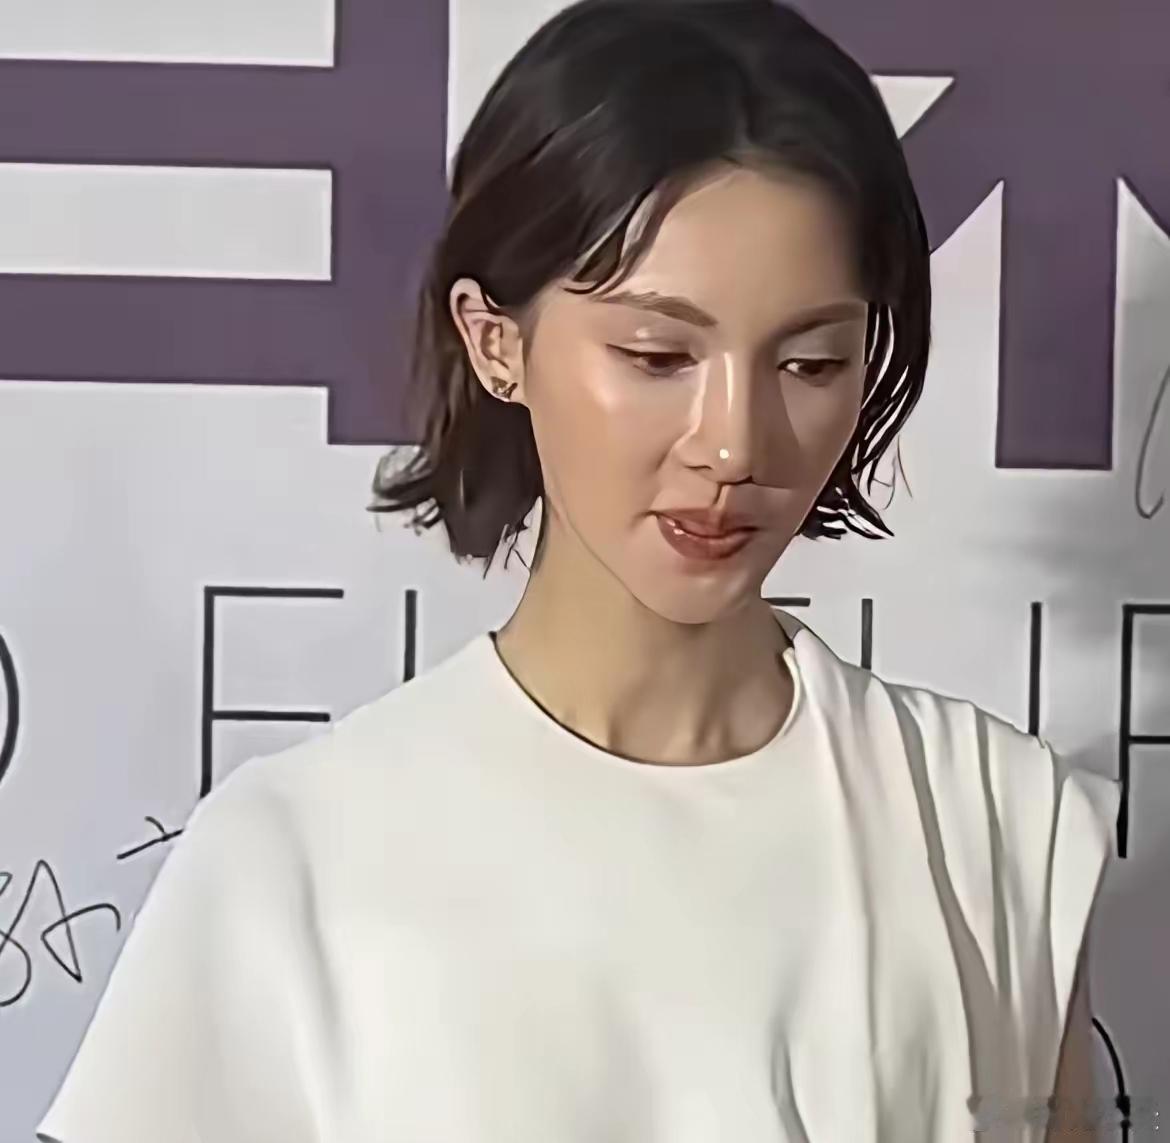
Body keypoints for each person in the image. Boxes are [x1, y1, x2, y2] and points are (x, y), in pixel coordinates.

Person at [37, 1, 1118, 1141]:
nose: (734, 445)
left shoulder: (996, 827)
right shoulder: (294, 861)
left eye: (810, 362)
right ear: (496, 340)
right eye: (657, 355)